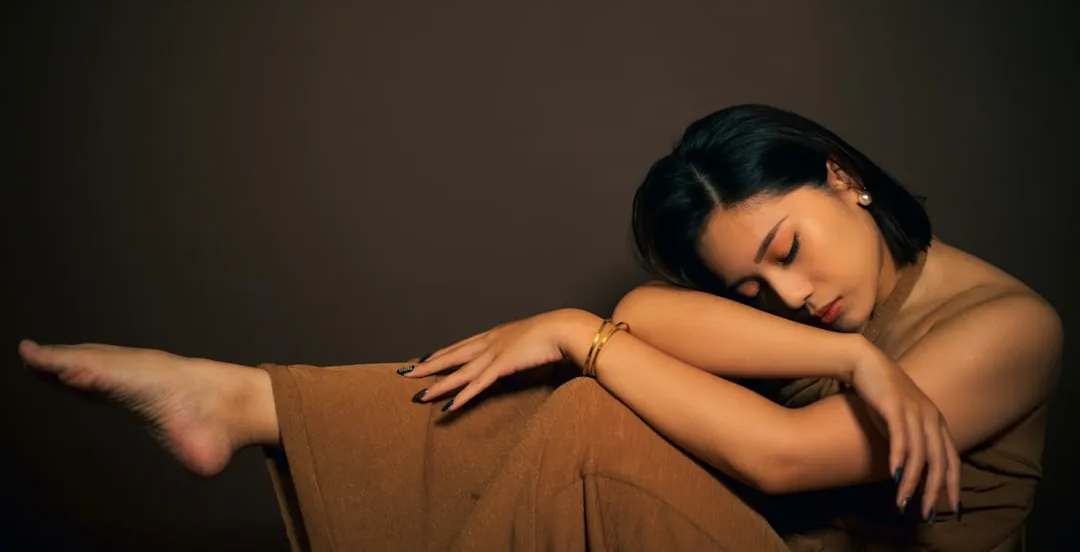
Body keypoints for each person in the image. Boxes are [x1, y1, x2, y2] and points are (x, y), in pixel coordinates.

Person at [19, 104, 1062, 551]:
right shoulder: (840, 328)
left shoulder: (1011, 324)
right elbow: (647, 312)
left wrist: (580, 337)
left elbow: (787, 458)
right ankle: (246, 401)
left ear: (842, 178)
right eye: (753, 288)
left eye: (787, 249)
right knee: (586, 398)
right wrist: (844, 355)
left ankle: (253, 403)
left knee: (592, 429)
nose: (789, 300)